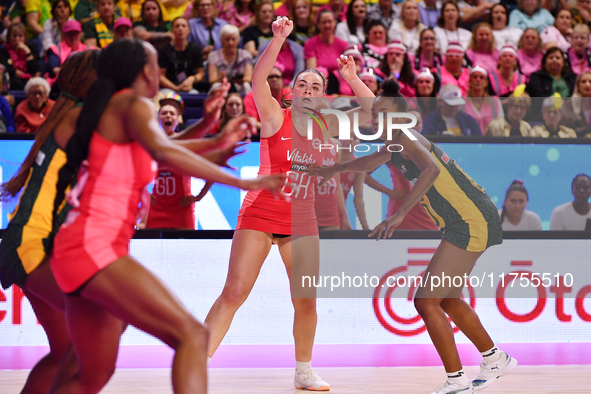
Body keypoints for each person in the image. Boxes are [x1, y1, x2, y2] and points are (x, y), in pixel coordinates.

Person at [48, 38, 284, 393]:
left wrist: (210, 127)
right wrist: (240, 180)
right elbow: (163, 149)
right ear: (146, 70)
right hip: (94, 246)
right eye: (158, 65)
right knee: (191, 335)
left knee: (91, 377)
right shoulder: (134, 104)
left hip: (76, 249)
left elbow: (167, 148)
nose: (161, 72)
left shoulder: (116, 109)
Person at [311, 77, 516, 394]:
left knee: (425, 301)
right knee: (445, 299)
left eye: (384, 113)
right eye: (376, 113)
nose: (377, 118)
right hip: (468, 217)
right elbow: (370, 160)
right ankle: (495, 358)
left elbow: (431, 169)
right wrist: (333, 170)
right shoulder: (395, 143)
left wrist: (400, 213)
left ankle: (457, 379)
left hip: (471, 218)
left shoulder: (405, 138)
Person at [203, 17, 373, 391]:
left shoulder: (330, 125)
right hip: (261, 213)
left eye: (317, 85)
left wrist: (352, 77)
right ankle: (194, 364)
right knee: (234, 293)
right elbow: (258, 79)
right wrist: (279, 38)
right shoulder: (274, 116)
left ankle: (303, 371)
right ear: (292, 92)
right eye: (303, 84)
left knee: (307, 302)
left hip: (302, 220)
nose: (309, 89)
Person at [0, 50, 100, 394]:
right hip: (33, 244)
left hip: (29, 243)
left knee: (65, 350)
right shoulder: (82, 116)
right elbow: (152, 146)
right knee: (97, 326)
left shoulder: (68, 115)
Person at [145, 101, 249, 229]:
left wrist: (198, 197)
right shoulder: (151, 144)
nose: (168, 116)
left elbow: (212, 173)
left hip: (181, 209)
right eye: (164, 113)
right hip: (156, 208)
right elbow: (134, 172)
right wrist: (144, 193)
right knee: (151, 248)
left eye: (172, 113)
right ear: (157, 119)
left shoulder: (188, 143)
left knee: (185, 248)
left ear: (177, 120)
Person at [158, 16, 204, 92]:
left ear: (188, 30)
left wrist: (192, 79)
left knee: (194, 94)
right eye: (177, 26)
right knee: (167, 95)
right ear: (172, 30)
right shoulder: (164, 49)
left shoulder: (195, 49)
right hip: (169, 88)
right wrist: (176, 88)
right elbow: (161, 76)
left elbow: (200, 73)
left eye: (183, 26)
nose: (180, 29)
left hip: (189, 87)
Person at [314, 139, 351, 231]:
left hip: (331, 212)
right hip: (309, 210)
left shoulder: (335, 144)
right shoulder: (305, 142)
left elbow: (337, 183)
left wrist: (345, 217)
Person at [526, 47, 577, 113]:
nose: (554, 60)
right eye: (551, 58)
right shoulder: (537, 77)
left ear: (563, 62)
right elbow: (538, 97)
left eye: (558, 58)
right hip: (546, 111)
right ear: (545, 62)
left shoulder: (571, 77)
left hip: (569, 110)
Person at [207, 24, 253, 94]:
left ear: (238, 40)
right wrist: (219, 78)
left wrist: (237, 80)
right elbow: (212, 80)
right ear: (221, 41)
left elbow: (248, 78)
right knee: (216, 86)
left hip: (240, 87)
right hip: (222, 87)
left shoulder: (246, 55)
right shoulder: (213, 56)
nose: (230, 43)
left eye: (233, 39)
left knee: (246, 86)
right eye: (227, 39)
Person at [304, 9, 348, 81]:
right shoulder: (310, 43)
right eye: (324, 22)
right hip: (318, 81)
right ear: (318, 25)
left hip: (339, 83)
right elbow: (311, 71)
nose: (327, 25)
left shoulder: (343, 44)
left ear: (335, 23)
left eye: (329, 22)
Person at [338, 136, 369, 230]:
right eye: (348, 136)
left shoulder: (359, 166)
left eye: (355, 138)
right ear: (339, 138)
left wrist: (366, 228)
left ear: (359, 143)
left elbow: (358, 199)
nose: (351, 140)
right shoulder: (329, 159)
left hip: (340, 215)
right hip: (322, 211)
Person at [464, 65, 504, 135]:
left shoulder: (495, 102)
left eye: (481, 77)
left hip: (491, 141)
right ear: (469, 81)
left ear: (486, 82)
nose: (478, 80)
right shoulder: (462, 102)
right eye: (475, 77)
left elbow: (500, 123)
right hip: (469, 142)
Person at [0, 23, 40, 91]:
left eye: (20, 36)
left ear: (25, 37)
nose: (17, 39)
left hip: (29, 79)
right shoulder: (3, 51)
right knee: (17, 83)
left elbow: (34, 70)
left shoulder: (31, 47)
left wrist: (27, 51)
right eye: (14, 36)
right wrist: (20, 74)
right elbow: (8, 69)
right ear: (9, 37)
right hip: (12, 79)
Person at [561, 70, 591, 136]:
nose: (587, 84)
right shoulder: (569, 104)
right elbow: (567, 128)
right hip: (577, 140)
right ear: (578, 85)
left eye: (590, 82)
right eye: (583, 82)